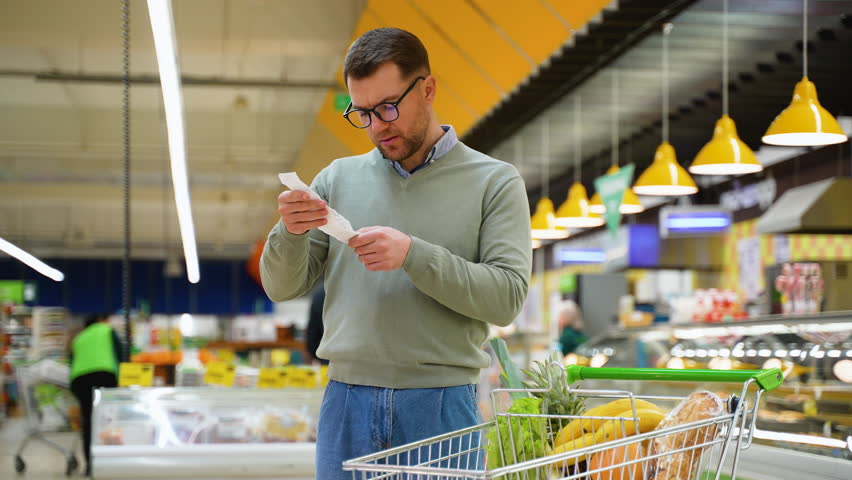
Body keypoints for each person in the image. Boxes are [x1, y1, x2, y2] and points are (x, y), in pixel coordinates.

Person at [260, 28, 532, 478]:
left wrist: (413, 255)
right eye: (362, 113)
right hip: (346, 400)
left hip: (441, 403)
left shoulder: (495, 182)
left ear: (427, 89)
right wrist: (289, 231)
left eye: (388, 107)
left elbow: (506, 298)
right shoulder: (336, 178)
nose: (377, 126)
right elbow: (281, 286)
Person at [69, 314, 122, 477]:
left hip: (79, 380)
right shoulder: (107, 330)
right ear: (100, 321)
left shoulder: (79, 338)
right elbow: (120, 353)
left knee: (89, 421)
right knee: (108, 419)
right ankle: (109, 462)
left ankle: (90, 466)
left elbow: (71, 361)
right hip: (104, 375)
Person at [305, 284, 328, 365]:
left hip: (327, 358)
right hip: (356, 360)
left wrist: (317, 356)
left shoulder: (319, 294)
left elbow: (312, 334)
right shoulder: (353, 291)